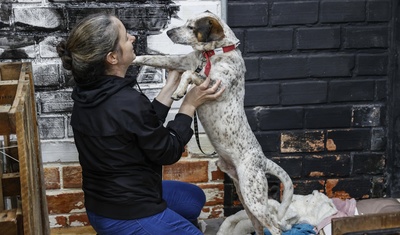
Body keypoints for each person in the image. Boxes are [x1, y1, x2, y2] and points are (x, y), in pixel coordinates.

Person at [56, 13, 225, 235]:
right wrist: (189, 104)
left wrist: (171, 84)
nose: (133, 38)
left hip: (103, 205)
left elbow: (140, 126)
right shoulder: (126, 101)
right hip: (129, 213)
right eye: (126, 38)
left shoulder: (87, 93)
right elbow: (168, 151)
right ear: (112, 57)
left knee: (193, 199)